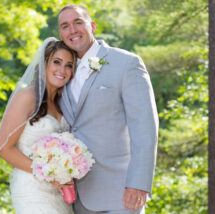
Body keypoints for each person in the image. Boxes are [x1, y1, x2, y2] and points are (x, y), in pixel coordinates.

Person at [58, 4, 159, 214]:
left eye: (78, 22)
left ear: (92, 26)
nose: (72, 30)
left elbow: (145, 128)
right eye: (65, 26)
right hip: (74, 195)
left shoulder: (126, 64)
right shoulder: (61, 72)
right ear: (60, 33)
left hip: (121, 192)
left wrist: (139, 183)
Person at [0, 38, 77, 214]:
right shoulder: (26, 97)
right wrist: (49, 175)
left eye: (69, 65)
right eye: (57, 62)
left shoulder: (63, 103)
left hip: (59, 192)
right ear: (44, 63)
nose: (62, 70)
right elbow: (4, 149)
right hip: (31, 189)